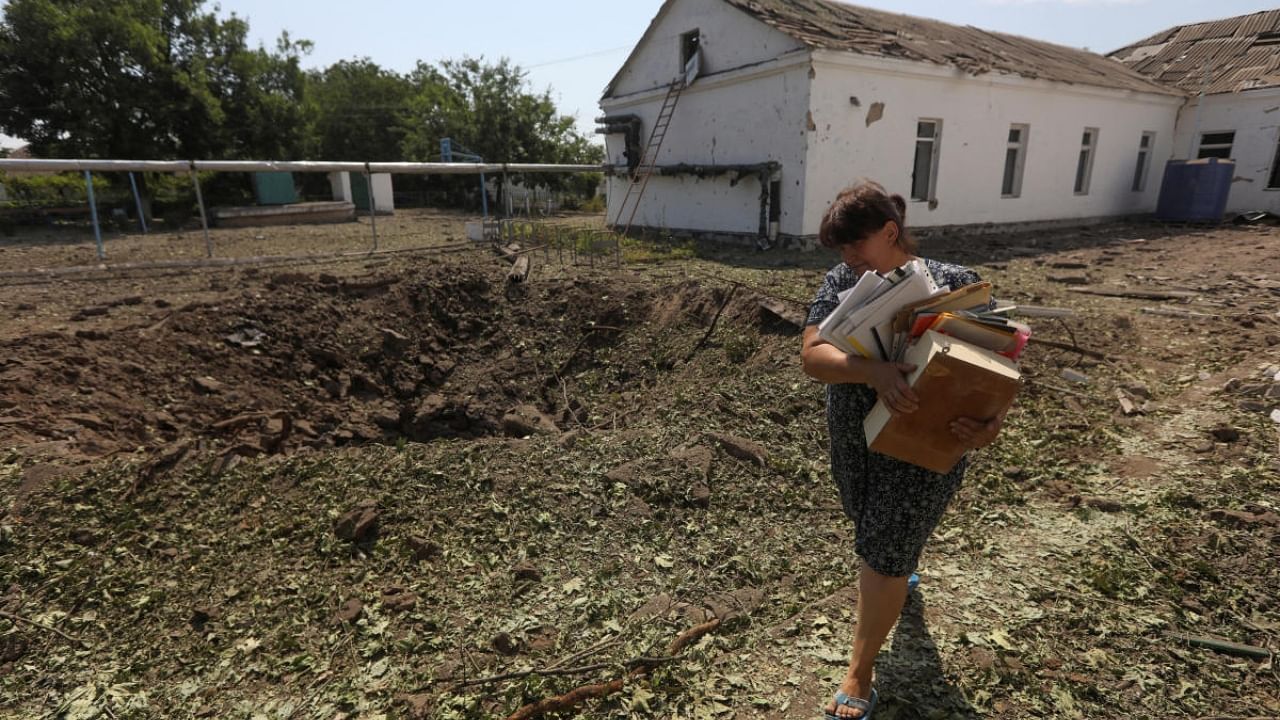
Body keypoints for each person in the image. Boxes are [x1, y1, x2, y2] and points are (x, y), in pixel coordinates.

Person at [800, 180, 1007, 719]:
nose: (848, 258)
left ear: (890, 232)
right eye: (840, 250)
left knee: (883, 550)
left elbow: (998, 368)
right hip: (857, 435)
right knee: (867, 523)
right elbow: (812, 356)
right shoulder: (842, 281)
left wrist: (990, 425)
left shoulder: (956, 285)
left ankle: (859, 674)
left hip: (926, 438)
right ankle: (897, 568)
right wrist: (872, 372)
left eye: (856, 245)